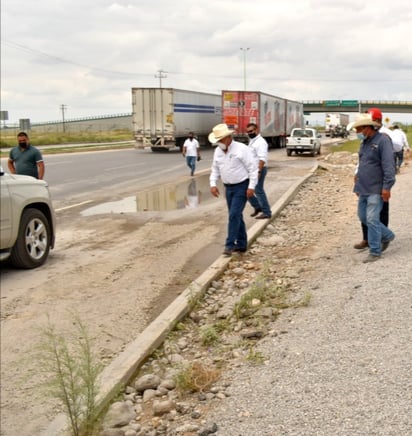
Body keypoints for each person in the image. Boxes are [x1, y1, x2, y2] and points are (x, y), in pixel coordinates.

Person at [350, 114, 396, 263]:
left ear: (368, 128)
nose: (357, 132)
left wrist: (387, 187)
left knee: (372, 218)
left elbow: (389, 166)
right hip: (363, 187)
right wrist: (357, 182)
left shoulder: (383, 141)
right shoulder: (365, 142)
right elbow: (363, 163)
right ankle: (387, 235)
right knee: (363, 217)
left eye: (358, 129)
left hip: (376, 188)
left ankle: (375, 251)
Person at [209, 123, 258, 256]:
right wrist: (213, 184)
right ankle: (242, 245)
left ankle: (229, 245)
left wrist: (251, 187)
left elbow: (253, 169)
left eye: (220, 140)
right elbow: (215, 169)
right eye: (217, 140)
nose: (219, 143)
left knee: (233, 215)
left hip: (241, 186)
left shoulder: (242, 149)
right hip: (228, 188)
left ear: (228, 137)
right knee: (236, 216)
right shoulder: (218, 151)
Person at [246, 123, 272, 219]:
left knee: (258, 190)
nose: (249, 133)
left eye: (251, 131)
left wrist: (259, 171)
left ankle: (266, 212)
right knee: (248, 190)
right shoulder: (253, 141)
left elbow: (262, 158)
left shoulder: (261, 142)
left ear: (256, 130)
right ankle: (257, 207)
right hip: (252, 170)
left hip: (259, 169)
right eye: (248, 132)